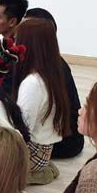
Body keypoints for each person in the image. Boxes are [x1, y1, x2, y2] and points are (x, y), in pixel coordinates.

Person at [13, 19, 71, 184]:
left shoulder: (33, 83)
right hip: (44, 148)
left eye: (17, 40)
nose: (15, 46)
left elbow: (22, 130)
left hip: (34, 152)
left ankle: (37, 173)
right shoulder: (50, 73)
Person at [22, 8, 84, 159]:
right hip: (64, 138)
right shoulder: (49, 62)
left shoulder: (42, 74)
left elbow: (24, 122)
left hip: (63, 142)